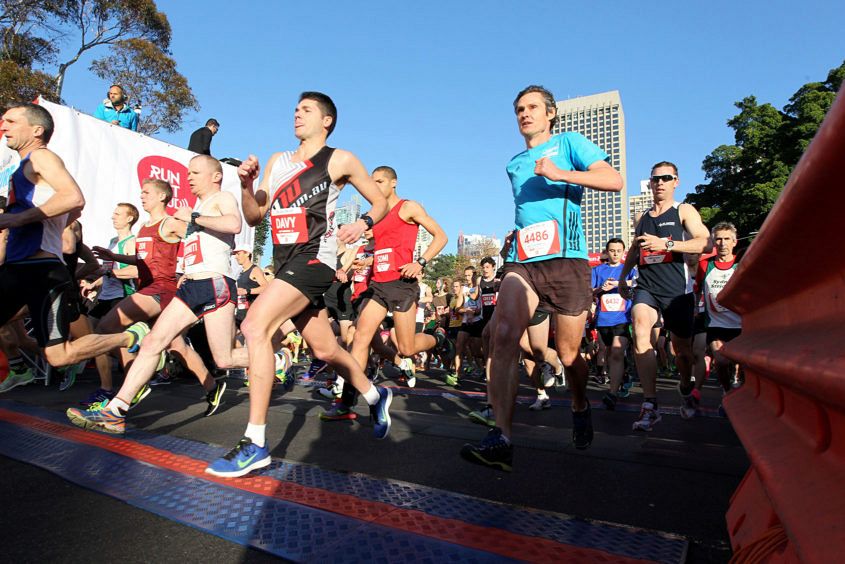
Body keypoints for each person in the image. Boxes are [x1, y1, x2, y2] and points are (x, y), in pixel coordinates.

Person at [204, 91, 389, 478]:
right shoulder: (278, 161)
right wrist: (246, 184)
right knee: (324, 348)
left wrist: (363, 223)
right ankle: (375, 394)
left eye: (306, 110)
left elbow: (379, 202)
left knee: (255, 325)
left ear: (327, 121)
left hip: (315, 259)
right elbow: (255, 217)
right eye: (295, 110)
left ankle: (255, 442)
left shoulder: (340, 159)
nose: (296, 115)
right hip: (285, 261)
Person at [461, 85, 623, 472]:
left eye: (532, 107)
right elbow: (529, 212)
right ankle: (502, 438)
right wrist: (513, 237)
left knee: (568, 355)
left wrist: (559, 173)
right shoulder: (515, 163)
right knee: (503, 336)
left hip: (566, 262)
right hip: (524, 262)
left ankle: (580, 403)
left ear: (550, 113)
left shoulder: (570, 143)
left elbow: (613, 179)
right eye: (519, 108)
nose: (524, 113)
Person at [66, 155, 248, 433]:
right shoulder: (194, 207)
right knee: (154, 342)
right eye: (188, 173)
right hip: (191, 285)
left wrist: (194, 217)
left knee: (224, 359)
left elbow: (234, 225)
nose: (189, 177)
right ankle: (117, 410)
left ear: (215, 176)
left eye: (195, 172)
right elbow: (188, 247)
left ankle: (275, 359)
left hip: (215, 282)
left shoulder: (221, 198)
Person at [322, 165, 447, 418]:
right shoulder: (374, 214)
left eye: (379, 181)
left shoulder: (408, 207)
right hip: (378, 286)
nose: (374, 186)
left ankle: (440, 339)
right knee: (360, 337)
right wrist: (364, 259)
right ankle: (347, 401)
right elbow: (381, 247)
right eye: (372, 182)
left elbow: (440, 236)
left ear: (393, 183)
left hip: (402, 284)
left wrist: (420, 262)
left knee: (407, 348)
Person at [618, 161, 710, 431]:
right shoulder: (641, 217)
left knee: (682, 352)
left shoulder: (683, 210)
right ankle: (650, 404)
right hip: (647, 286)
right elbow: (636, 249)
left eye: (666, 178)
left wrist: (668, 244)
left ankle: (685, 384)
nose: (660, 183)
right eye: (655, 179)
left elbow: (705, 242)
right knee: (640, 328)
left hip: (676, 291)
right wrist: (624, 275)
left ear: (676, 181)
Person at [696, 222, 742, 414]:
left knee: (741, 365)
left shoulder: (742, 263)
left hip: (741, 324)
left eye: (726, 239)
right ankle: (727, 393)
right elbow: (697, 289)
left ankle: (739, 388)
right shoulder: (705, 264)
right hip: (716, 324)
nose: (722, 243)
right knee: (722, 362)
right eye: (719, 239)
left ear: (734, 241)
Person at [592, 238, 637, 410]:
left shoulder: (628, 270)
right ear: (607, 252)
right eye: (612, 250)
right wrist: (601, 289)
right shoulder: (597, 270)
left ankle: (612, 393)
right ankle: (624, 374)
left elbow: (637, 282)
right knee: (611, 354)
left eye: (619, 250)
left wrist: (618, 283)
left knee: (617, 352)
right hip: (604, 319)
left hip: (622, 318)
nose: (616, 253)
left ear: (624, 252)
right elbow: (592, 292)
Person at [233, 243, 268, 330]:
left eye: (238, 254)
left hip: (251, 314)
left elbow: (266, 287)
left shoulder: (255, 270)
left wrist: (246, 291)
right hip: (241, 313)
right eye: (235, 254)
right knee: (234, 341)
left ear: (247, 253)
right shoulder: (241, 272)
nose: (236, 257)